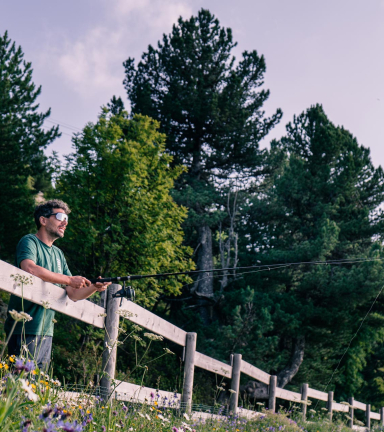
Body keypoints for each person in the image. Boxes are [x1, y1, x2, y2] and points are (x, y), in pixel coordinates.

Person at [4, 199, 111, 370]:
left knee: (36, 387)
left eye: (67, 219)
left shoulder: (58, 254)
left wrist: (94, 288)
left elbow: (73, 293)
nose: (65, 222)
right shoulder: (29, 241)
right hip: (24, 327)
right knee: (16, 386)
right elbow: (29, 268)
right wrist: (69, 279)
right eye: (60, 216)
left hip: (46, 331)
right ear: (43, 220)